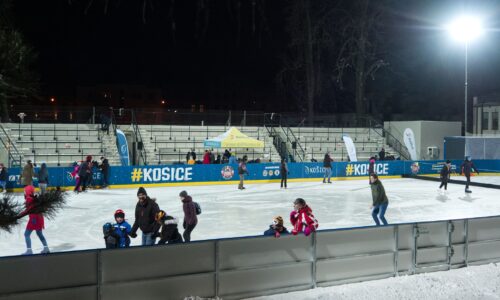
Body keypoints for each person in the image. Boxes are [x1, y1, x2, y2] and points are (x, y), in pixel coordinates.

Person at [21, 185, 50, 255]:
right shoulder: (34, 198)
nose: (24, 192)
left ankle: (29, 250)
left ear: (28, 191)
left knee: (26, 234)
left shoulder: (29, 199)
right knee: (39, 233)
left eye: (25, 191)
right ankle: (46, 248)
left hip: (34, 219)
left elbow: (28, 210)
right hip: (39, 218)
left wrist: (19, 215)